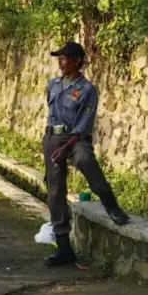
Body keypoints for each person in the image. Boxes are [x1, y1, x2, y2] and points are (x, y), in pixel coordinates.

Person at [42, 41, 130, 268]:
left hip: (75, 139)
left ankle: (111, 205)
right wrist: (54, 142)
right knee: (55, 190)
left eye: (66, 58)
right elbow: (51, 113)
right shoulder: (53, 85)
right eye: (59, 58)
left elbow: (84, 123)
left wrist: (66, 146)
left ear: (78, 61)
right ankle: (63, 247)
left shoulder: (87, 90)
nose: (61, 62)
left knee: (85, 160)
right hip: (53, 138)